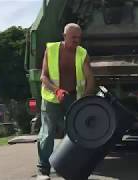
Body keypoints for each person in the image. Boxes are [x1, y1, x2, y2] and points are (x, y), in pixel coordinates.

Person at [37, 23, 95, 180]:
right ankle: (43, 170)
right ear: (64, 36)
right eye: (73, 37)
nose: (77, 40)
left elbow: (90, 78)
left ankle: (71, 169)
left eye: (79, 38)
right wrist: (57, 90)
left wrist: (85, 98)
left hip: (73, 98)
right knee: (47, 133)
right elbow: (43, 76)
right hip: (51, 97)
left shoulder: (82, 53)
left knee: (76, 133)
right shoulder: (51, 49)